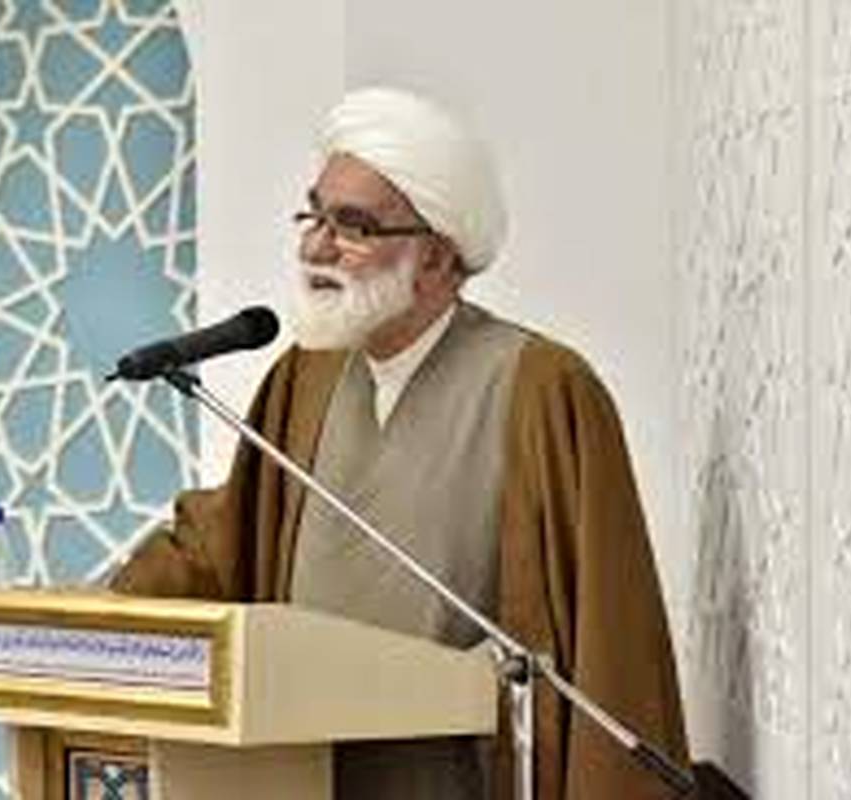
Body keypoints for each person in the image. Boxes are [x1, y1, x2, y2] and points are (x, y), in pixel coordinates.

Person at [113, 87, 689, 799]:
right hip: (301, 774)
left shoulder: (543, 389)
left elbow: (609, 630)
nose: (315, 246)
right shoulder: (305, 377)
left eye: (353, 226)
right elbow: (228, 542)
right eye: (314, 215)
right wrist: (84, 618)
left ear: (438, 258)